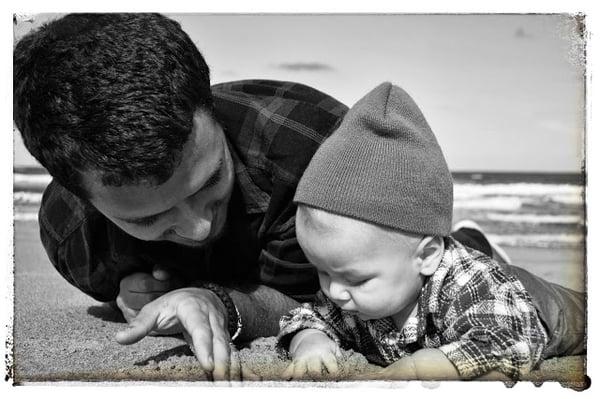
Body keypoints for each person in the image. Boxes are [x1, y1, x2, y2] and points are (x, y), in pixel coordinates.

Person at [13, 13, 574, 380]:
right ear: (86, 199)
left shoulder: (308, 148)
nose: (199, 227)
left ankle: (468, 244)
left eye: (210, 182)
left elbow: (316, 292)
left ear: (206, 104)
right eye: (153, 217)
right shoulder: (73, 236)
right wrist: (132, 294)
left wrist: (216, 300)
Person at [278, 82, 585, 381]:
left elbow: (513, 341)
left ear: (426, 256)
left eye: (355, 279)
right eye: (323, 271)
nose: (334, 291)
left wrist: (431, 365)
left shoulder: (470, 288)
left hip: (544, 309)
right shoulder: (351, 288)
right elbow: (308, 315)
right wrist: (309, 342)